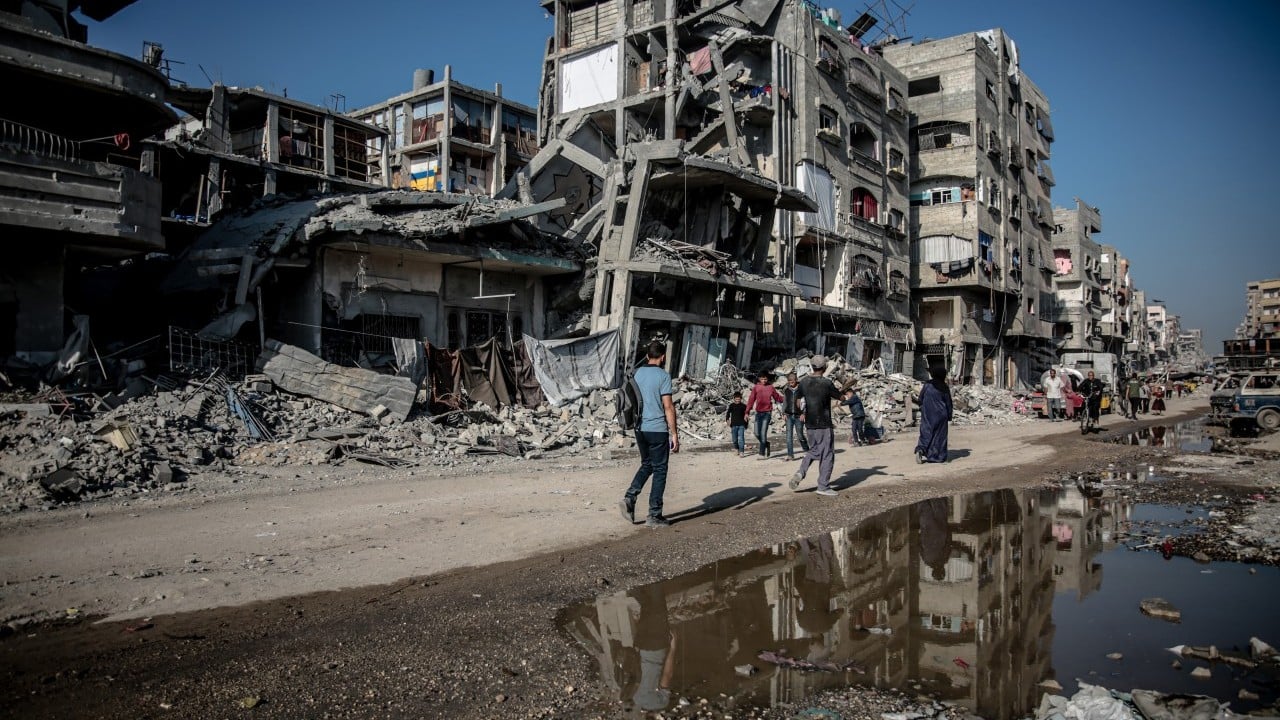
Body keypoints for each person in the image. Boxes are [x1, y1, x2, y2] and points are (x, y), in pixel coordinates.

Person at [619, 341, 680, 528]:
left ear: (647, 356)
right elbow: (668, 406)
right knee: (660, 470)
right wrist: (675, 434)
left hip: (639, 429)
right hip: (657, 429)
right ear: (662, 357)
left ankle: (630, 497)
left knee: (647, 464)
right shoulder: (663, 376)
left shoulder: (636, 374)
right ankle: (654, 514)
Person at [788, 355, 844, 497]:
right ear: (824, 367)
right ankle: (823, 486)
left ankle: (801, 472)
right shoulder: (826, 383)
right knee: (827, 454)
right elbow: (840, 397)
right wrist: (844, 393)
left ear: (812, 367)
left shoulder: (804, 382)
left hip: (810, 423)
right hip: (824, 423)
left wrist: (802, 412)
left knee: (814, 450)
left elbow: (798, 401)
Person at [914, 365, 953, 464]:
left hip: (928, 413)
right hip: (941, 414)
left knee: (925, 432)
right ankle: (937, 457)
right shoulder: (944, 387)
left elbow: (920, 398)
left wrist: (922, 407)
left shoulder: (927, 385)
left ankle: (921, 449)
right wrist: (949, 415)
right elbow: (949, 403)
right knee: (939, 436)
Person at [746, 373, 783, 458]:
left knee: (763, 433)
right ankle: (766, 443)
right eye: (762, 379)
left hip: (767, 413)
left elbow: (778, 398)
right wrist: (747, 412)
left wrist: (787, 398)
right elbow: (751, 400)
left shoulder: (770, 388)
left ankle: (761, 453)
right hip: (758, 413)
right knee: (756, 433)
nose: (764, 381)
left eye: (765, 379)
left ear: (767, 379)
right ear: (759, 378)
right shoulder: (756, 387)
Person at [782, 373, 809, 461]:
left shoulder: (802, 390)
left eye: (792, 381)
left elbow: (806, 403)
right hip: (789, 416)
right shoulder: (787, 391)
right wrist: (784, 413)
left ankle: (807, 450)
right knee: (788, 436)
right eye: (789, 381)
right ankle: (790, 455)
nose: (791, 383)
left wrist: (804, 413)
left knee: (800, 435)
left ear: (796, 380)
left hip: (798, 416)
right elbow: (785, 402)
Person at [726, 391, 748, 457]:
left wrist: (746, 425)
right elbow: (728, 413)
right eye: (736, 399)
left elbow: (746, 416)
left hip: (741, 425)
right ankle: (736, 449)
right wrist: (727, 420)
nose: (738, 400)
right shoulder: (731, 405)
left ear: (741, 399)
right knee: (734, 440)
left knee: (741, 439)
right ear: (734, 399)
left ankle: (742, 452)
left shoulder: (744, 406)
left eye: (739, 399)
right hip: (733, 425)